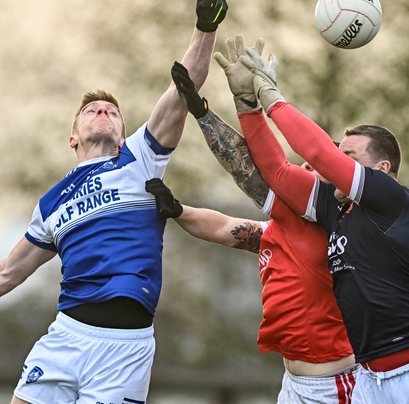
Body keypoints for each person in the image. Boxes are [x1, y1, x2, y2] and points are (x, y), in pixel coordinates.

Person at [0, 0, 228, 404]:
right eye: (92, 110)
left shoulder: (140, 157)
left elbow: (183, 87)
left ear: (121, 134)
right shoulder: (51, 203)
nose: (103, 112)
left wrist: (205, 29)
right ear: (73, 136)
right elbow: (8, 272)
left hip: (125, 348)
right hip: (67, 335)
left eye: (112, 112)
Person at [232, 46, 409, 403]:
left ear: (382, 170)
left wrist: (271, 96)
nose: (337, 160)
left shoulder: (392, 200)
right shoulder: (333, 208)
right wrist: (247, 105)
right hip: (369, 380)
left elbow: (318, 152)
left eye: (348, 156)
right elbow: (276, 171)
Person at [144, 35, 356, 403]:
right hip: (293, 385)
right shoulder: (288, 226)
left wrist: (210, 112)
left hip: (335, 386)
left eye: (319, 164)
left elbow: (252, 171)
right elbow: (228, 229)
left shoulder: (329, 220)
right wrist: (179, 210)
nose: (307, 165)